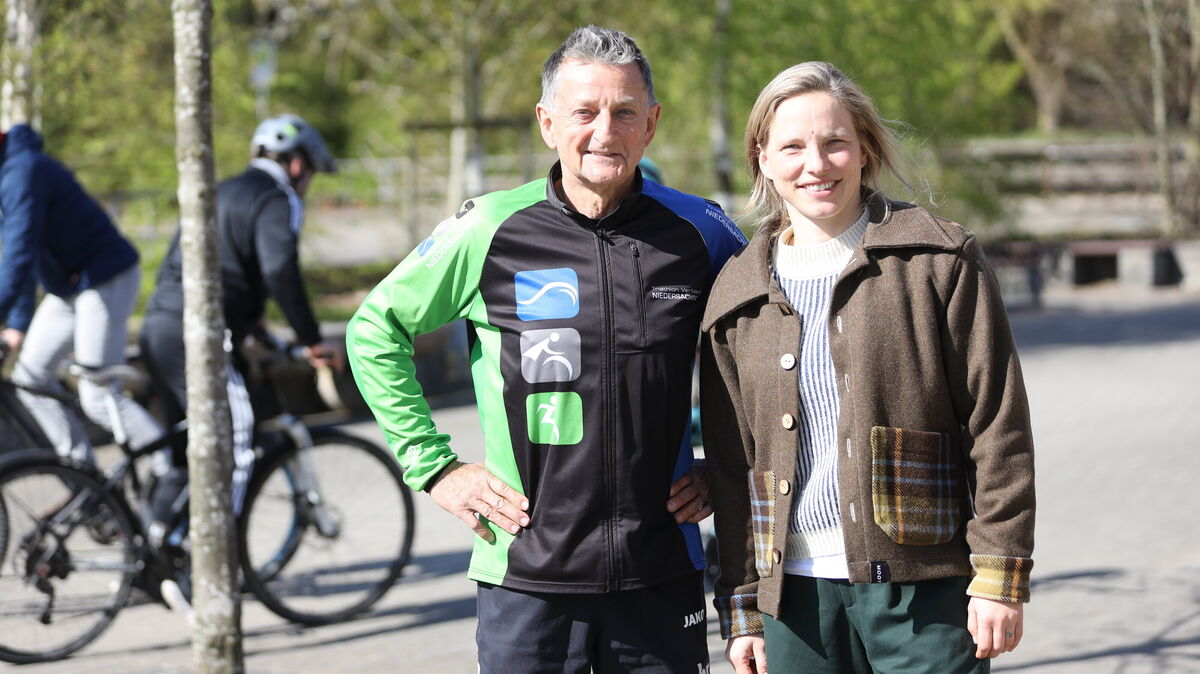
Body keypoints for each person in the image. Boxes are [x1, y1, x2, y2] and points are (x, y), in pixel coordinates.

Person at [347, 25, 746, 673]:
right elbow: (373, 329)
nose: (604, 132)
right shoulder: (490, 227)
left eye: (623, 113)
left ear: (651, 124)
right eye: (584, 112)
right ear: (547, 123)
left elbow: (779, 344)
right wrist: (435, 468)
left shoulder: (702, 231)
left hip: (661, 571)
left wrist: (730, 466)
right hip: (527, 578)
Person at [700, 62, 1035, 674]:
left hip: (924, 588)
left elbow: (998, 424)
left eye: (835, 143)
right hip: (794, 603)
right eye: (793, 147)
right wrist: (744, 606)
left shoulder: (938, 257)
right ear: (763, 160)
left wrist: (999, 575)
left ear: (864, 150)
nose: (816, 164)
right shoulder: (735, 295)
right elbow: (732, 465)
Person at [139, 113, 342, 527]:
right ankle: (217, 559)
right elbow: (279, 270)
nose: (308, 185)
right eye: (312, 174)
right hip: (197, 333)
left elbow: (217, 271)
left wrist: (253, 328)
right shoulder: (277, 196)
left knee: (187, 447)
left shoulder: (220, 190)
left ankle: (156, 544)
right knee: (233, 442)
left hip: (159, 323)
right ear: (298, 164)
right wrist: (312, 338)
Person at [0, 124, 162, 465]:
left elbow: (19, 251)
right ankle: (85, 480)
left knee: (98, 396)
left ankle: (172, 473)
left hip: (104, 278)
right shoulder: (11, 172)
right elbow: (27, 255)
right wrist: (16, 323)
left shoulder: (22, 171)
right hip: (70, 287)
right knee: (30, 379)